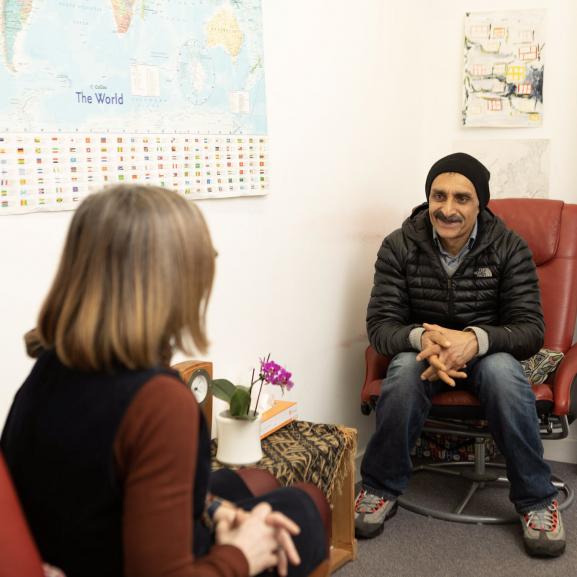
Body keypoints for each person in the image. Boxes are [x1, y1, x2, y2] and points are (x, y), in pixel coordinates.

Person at [1, 185, 329, 577]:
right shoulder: (159, 401)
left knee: (256, 479)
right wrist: (240, 556)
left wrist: (212, 510)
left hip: (76, 545)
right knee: (305, 509)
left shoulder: (51, 365)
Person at [354, 152, 565, 558]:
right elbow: (381, 327)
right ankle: (379, 488)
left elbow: (530, 330)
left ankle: (537, 500)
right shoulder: (398, 245)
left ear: (480, 203)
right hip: (423, 353)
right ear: (428, 198)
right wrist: (424, 341)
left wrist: (473, 340)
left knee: (505, 376)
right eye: (439, 196)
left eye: (461, 198)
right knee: (399, 375)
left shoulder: (509, 247)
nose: (447, 209)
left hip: (489, 352)